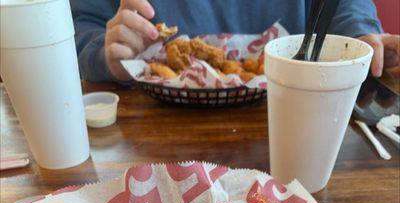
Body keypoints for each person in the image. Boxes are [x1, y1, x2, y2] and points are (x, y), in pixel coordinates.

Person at [70, 0, 400, 83]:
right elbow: (78, 26)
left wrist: (357, 34)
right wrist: (107, 51)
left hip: (293, 109)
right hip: (146, 136)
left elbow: (343, 5)